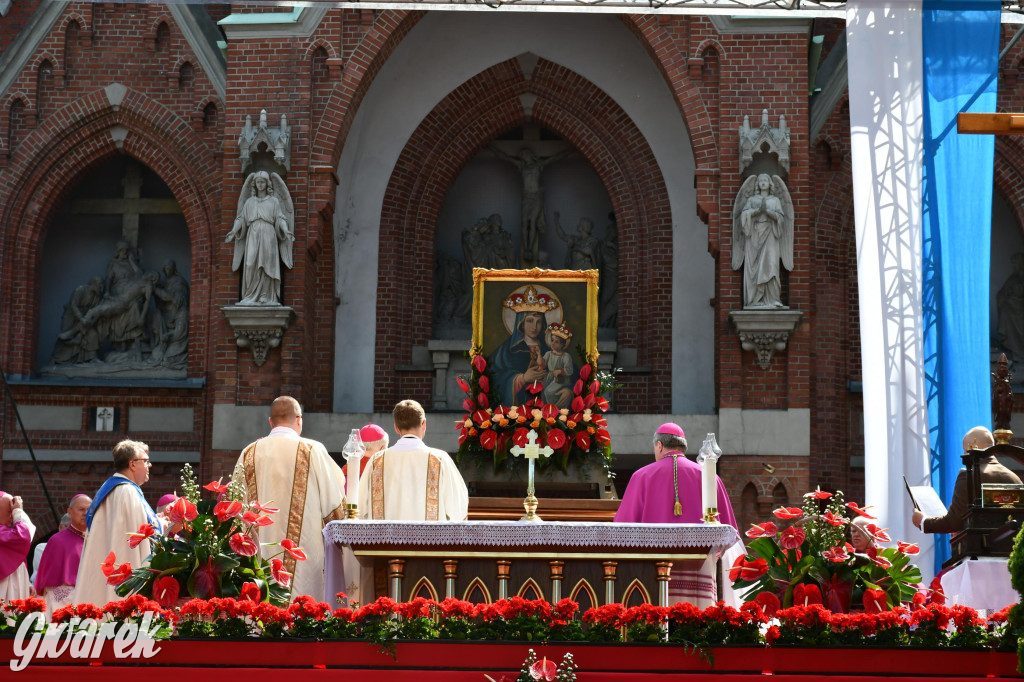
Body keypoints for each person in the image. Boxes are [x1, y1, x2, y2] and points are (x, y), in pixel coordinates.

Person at [614, 423, 739, 607]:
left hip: (653, 571)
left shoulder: (641, 476)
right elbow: (727, 531)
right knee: (695, 620)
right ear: (683, 446)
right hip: (698, 571)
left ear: (659, 446)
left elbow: (621, 529)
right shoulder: (707, 476)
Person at [236, 396, 346, 599]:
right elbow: (335, 507)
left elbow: (236, 503)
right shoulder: (312, 450)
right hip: (304, 553)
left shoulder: (249, 453)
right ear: (299, 419)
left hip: (259, 549)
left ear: (271, 422)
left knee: (262, 609)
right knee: (302, 612)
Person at [75, 440, 163, 606]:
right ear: (132, 464)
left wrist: (159, 521)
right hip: (123, 577)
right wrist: (166, 524)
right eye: (145, 461)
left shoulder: (112, 488)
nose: (149, 465)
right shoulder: (127, 492)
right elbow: (137, 538)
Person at [358, 400, 469, 521]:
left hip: (385, 539)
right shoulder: (440, 459)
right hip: (429, 539)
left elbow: (360, 507)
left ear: (396, 427)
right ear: (424, 424)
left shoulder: (376, 461)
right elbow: (458, 508)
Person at [912, 425, 1022, 534]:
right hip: (1014, 550)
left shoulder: (968, 476)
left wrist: (923, 521)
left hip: (980, 549)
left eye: (964, 451)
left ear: (970, 447)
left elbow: (953, 522)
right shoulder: (1015, 479)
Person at [226, 170, 294, 305]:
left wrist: (286, 231)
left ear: (267, 183)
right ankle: (250, 295)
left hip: (269, 235)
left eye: (263, 182)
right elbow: (241, 218)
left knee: (267, 263)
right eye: (258, 182)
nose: (260, 185)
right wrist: (233, 231)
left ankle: (266, 295)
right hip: (253, 233)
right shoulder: (249, 202)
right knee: (250, 263)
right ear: (254, 184)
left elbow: (280, 218)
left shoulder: (274, 201)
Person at [731, 173, 793, 308]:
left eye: (766, 180)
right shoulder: (752, 199)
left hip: (771, 233)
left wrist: (769, 212)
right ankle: (755, 300)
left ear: (769, 183)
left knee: (771, 264)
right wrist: (757, 211)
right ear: (757, 184)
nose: (763, 182)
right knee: (755, 267)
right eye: (761, 181)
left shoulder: (775, 200)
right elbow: (744, 216)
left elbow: (781, 218)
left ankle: (772, 299)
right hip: (754, 235)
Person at [488, 287, 557, 405]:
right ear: (521, 324)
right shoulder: (507, 350)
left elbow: (569, 377)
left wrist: (566, 391)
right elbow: (494, 377)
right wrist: (522, 379)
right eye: (530, 321)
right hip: (517, 409)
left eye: (539, 322)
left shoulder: (550, 349)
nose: (534, 327)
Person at [35, 494, 90, 612]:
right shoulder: (57, 541)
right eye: (81, 509)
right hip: (64, 604)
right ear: (69, 512)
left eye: (89, 509)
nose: (86, 513)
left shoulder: (98, 539)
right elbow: (50, 584)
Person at [0, 492, 35, 600]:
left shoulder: (7, 532)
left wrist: (27, 583)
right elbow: (25, 537)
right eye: (10, 511)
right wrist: (18, 511)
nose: (12, 516)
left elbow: (18, 562)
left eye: (13, 512)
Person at [997, 253, 1024, 362]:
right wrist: (1003, 297)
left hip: (1020, 309)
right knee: (1005, 311)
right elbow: (1003, 292)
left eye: (1016, 263)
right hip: (1012, 308)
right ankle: (1014, 350)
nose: (1014, 266)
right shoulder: (1013, 277)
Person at [541, 322, 574, 408]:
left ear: (562, 344)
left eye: (556, 342)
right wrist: (537, 354)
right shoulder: (548, 353)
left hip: (560, 379)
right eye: (552, 340)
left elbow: (569, 370)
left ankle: (553, 409)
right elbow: (542, 363)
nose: (552, 343)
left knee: (549, 392)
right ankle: (545, 409)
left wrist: (560, 371)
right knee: (541, 390)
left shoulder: (566, 356)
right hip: (550, 376)